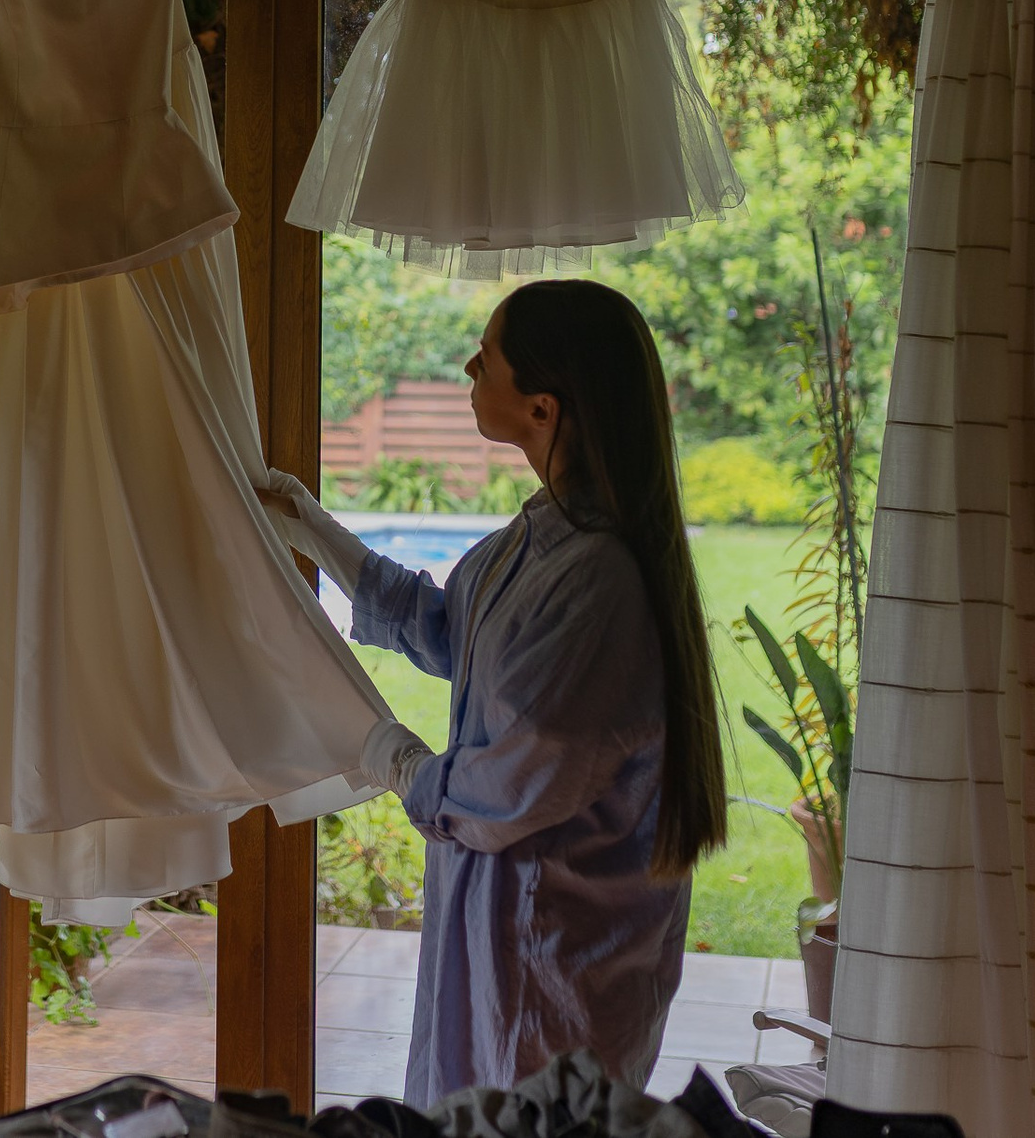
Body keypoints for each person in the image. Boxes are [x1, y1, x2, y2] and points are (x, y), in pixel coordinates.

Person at [262, 277, 726, 1104]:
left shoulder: (599, 579)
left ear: (543, 408)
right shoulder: (540, 539)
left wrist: (405, 767)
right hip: (505, 942)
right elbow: (454, 631)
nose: (468, 367)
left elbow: (519, 780)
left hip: (556, 968)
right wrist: (313, 529)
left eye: (487, 355)